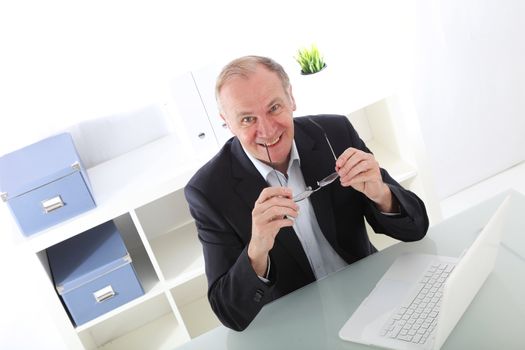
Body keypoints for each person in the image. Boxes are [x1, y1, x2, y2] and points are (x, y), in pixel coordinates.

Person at [184, 55, 429, 331]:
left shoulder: (335, 133)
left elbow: (417, 228)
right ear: (226, 122)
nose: (266, 130)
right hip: (298, 327)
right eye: (247, 119)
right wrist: (257, 249)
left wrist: (381, 193)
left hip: (371, 300)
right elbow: (230, 314)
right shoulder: (207, 191)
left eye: (274, 107)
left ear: (291, 98)